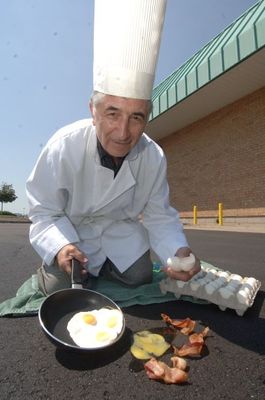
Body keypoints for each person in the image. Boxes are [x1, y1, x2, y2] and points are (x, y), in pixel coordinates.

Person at [26, 0, 201, 295]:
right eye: (112, 113)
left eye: (136, 117)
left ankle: (107, 265)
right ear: (92, 111)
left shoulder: (153, 156)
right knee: (59, 290)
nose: (123, 132)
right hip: (73, 234)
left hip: (120, 235)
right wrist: (60, 246)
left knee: (142, 276)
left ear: (147, 116)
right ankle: (54, 268)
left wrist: (178, 250)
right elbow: (44, 211)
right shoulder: (63, 145)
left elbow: (159, 214)